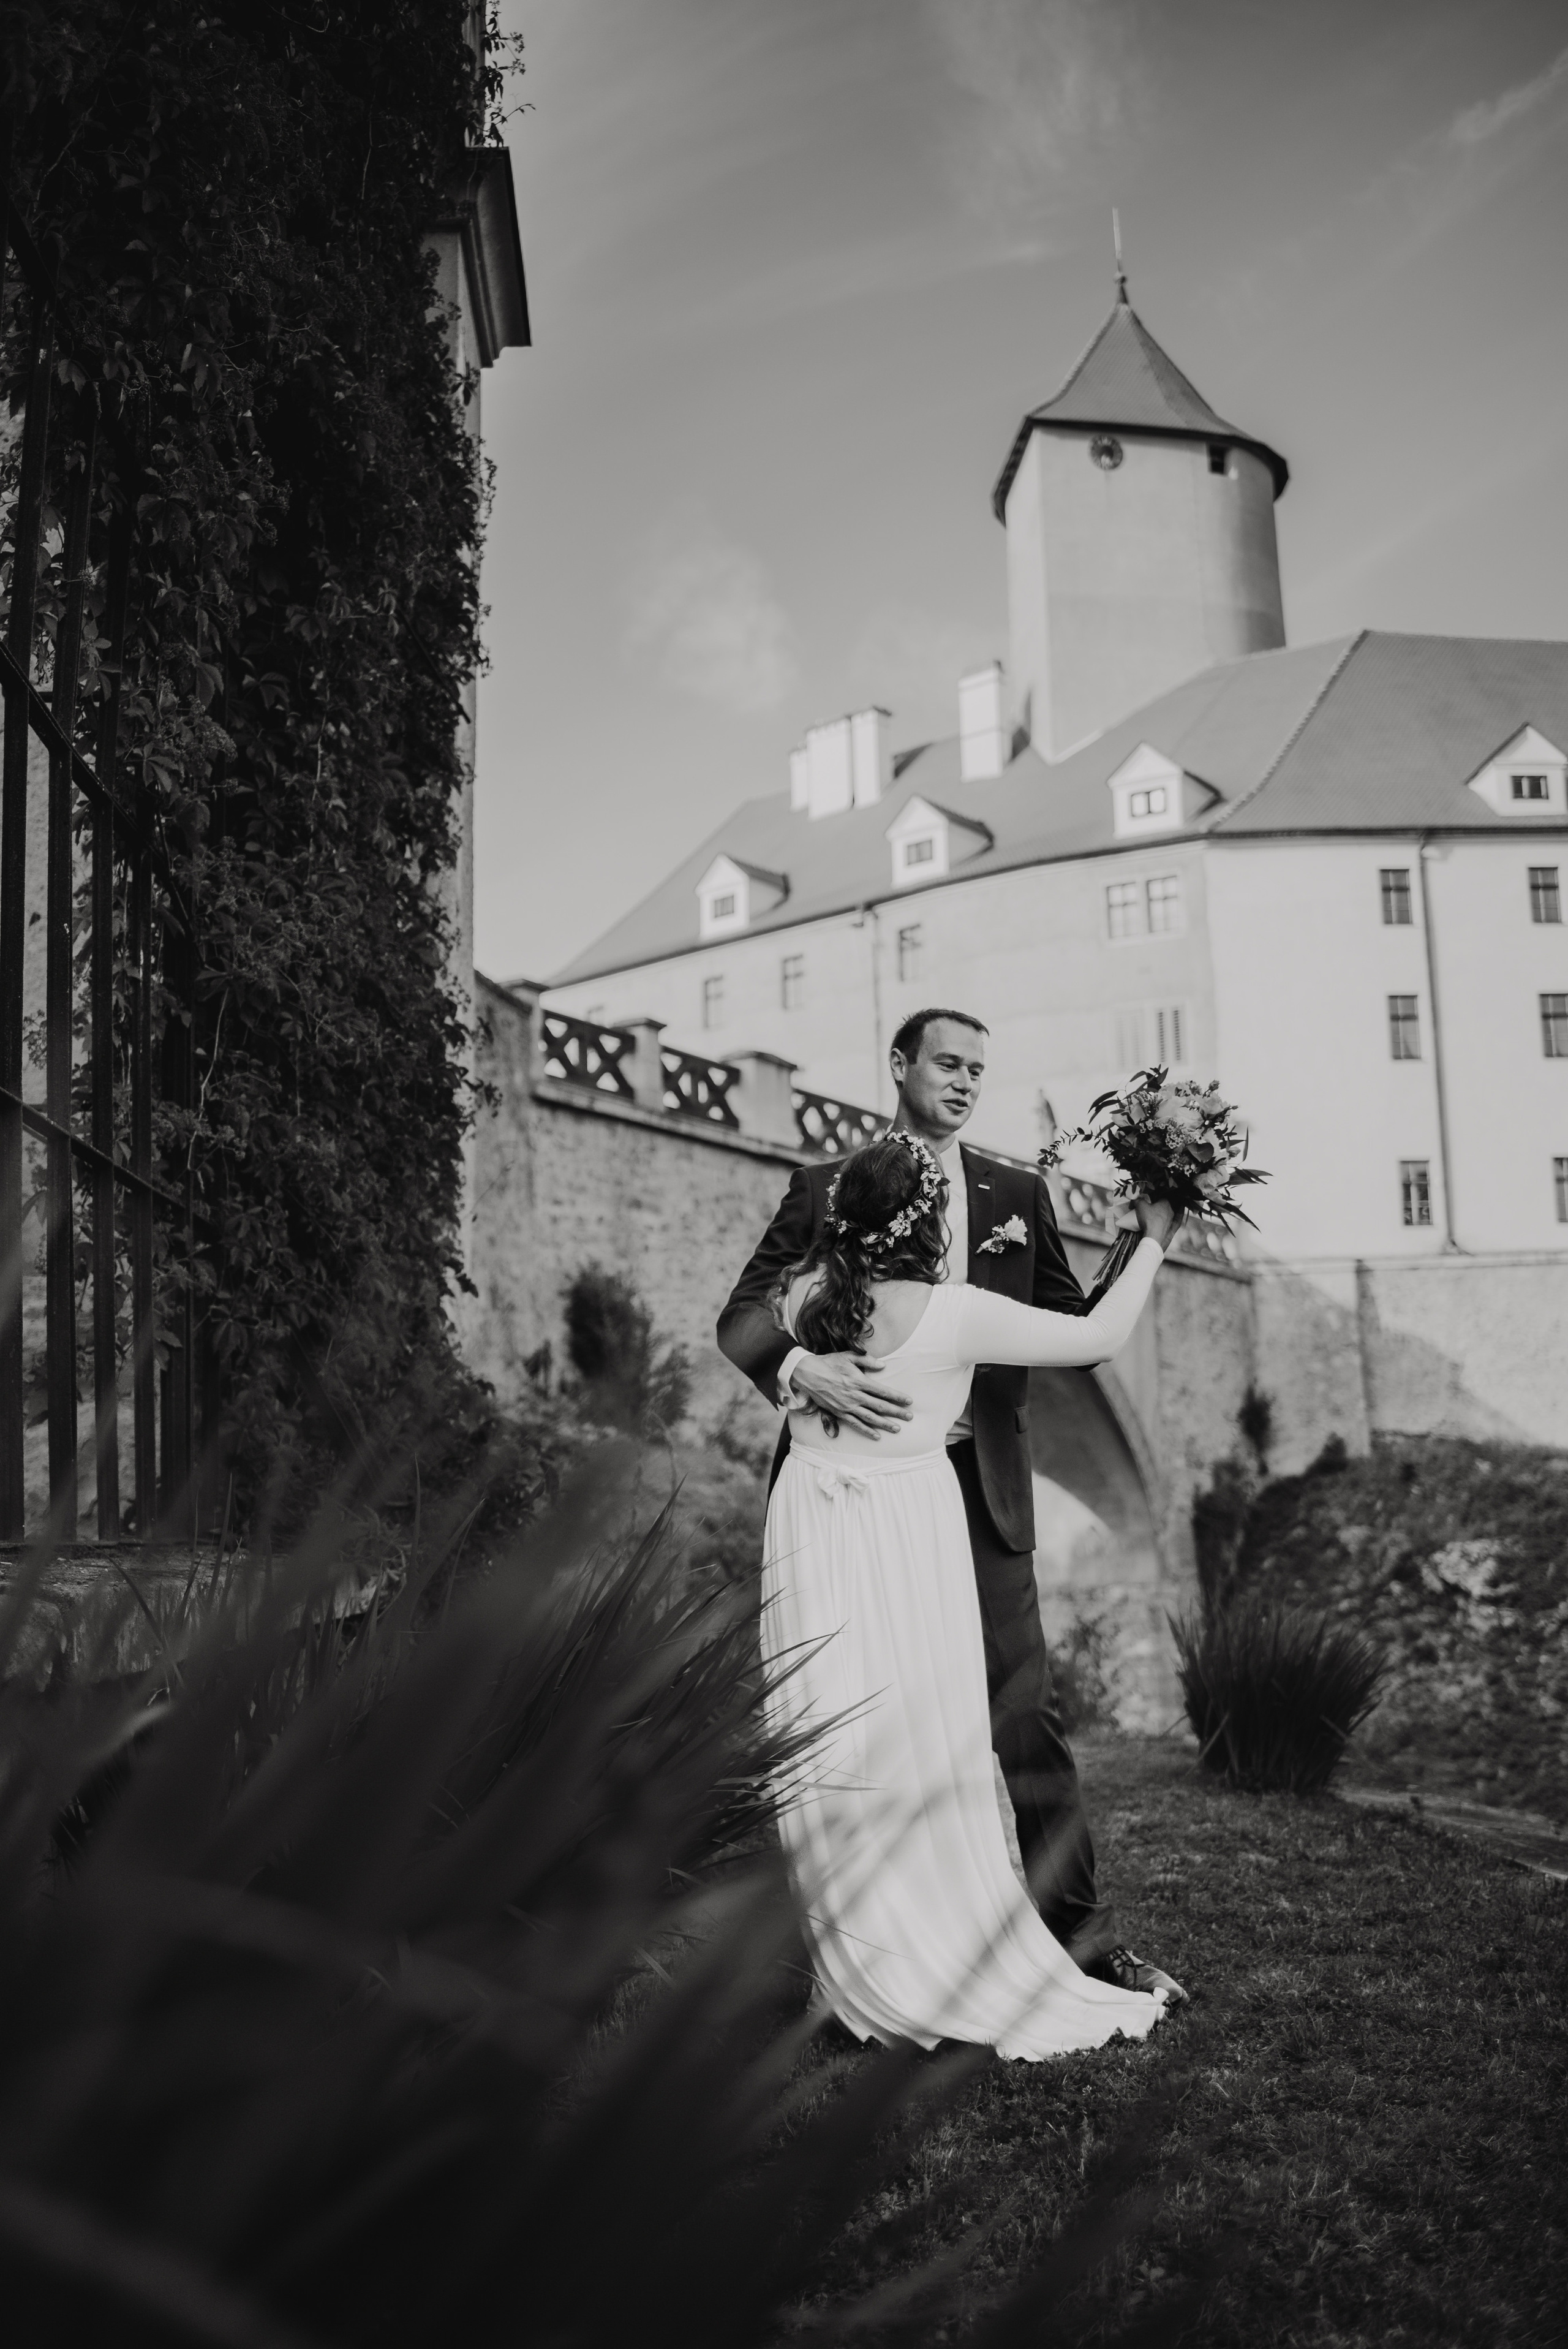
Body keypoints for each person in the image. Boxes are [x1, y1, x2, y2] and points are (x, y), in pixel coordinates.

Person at [717, 1007, 1182, 2002]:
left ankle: (1082, 1942)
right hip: (853, 1490)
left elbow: (1067, 1320)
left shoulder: (1016, 1190)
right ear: (899, 1064)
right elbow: (744, 1313)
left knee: (1024, 1716)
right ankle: (836, 1948)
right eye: (948, 1062)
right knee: (842, 1714)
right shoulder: (827, 1185)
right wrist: (806, 1370)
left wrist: (1135, 1237)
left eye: (981, 1067)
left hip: (979, 1487)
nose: (967, 1081)